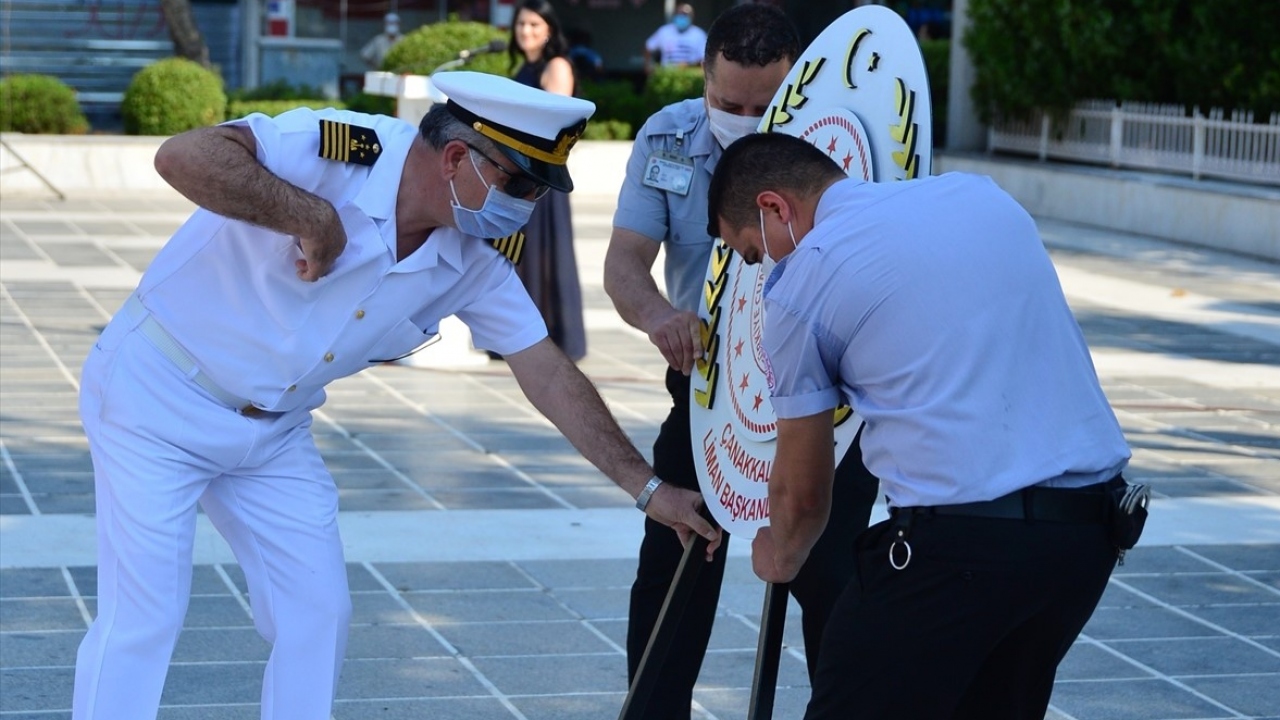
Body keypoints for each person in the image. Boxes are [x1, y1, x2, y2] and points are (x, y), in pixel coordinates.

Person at [71, 71, 720, 720]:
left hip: (273, 433)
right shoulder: (338, 152)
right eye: (519, 184)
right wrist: (310, 216)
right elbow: (181, 155)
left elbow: (546, 370)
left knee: (317, 615)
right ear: (458, 157)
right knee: (146, 615)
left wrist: (647, 488)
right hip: (157, 396)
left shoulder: (475, 257)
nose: (527, 206)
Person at [707, 132, 1134, 719]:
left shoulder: (806, 280)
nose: (765, 268)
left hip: (962, 546)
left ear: (775, 208)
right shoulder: (979, 196)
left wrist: (778, 552)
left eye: (755, 252)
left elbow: (803, 494)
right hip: (1088, 536)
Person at [603, 6, 881, 718]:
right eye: (728, 105)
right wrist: (661, 316)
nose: (746, 118)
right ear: (704, 81)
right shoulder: (667, 135)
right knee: (675, 554)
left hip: (825, 396)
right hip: (705, 386)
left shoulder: (837, 138)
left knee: (830, 571)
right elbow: (626, 261)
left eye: (765, 106)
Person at [506, 0, 587, 360]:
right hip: (519, 170)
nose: (526, 32)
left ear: (549, 30)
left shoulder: (556, 66)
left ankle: (552, 334)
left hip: (540, 174)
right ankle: (518, 334)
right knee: (522, 252)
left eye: (534, 26)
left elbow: (553, 120)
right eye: (522, 25)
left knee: (543, 252)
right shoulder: (526, 65)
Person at [643, 3, 707, 74]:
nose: (682, 17)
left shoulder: (699, 34)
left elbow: (704, 58)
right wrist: (648, 66)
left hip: (690, 74)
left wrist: (689, 65)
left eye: (685, 14)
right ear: (675, 15)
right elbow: (648, 46)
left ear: (691, 17)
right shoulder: (664, 31)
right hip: (667, 74)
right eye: (679, 14)